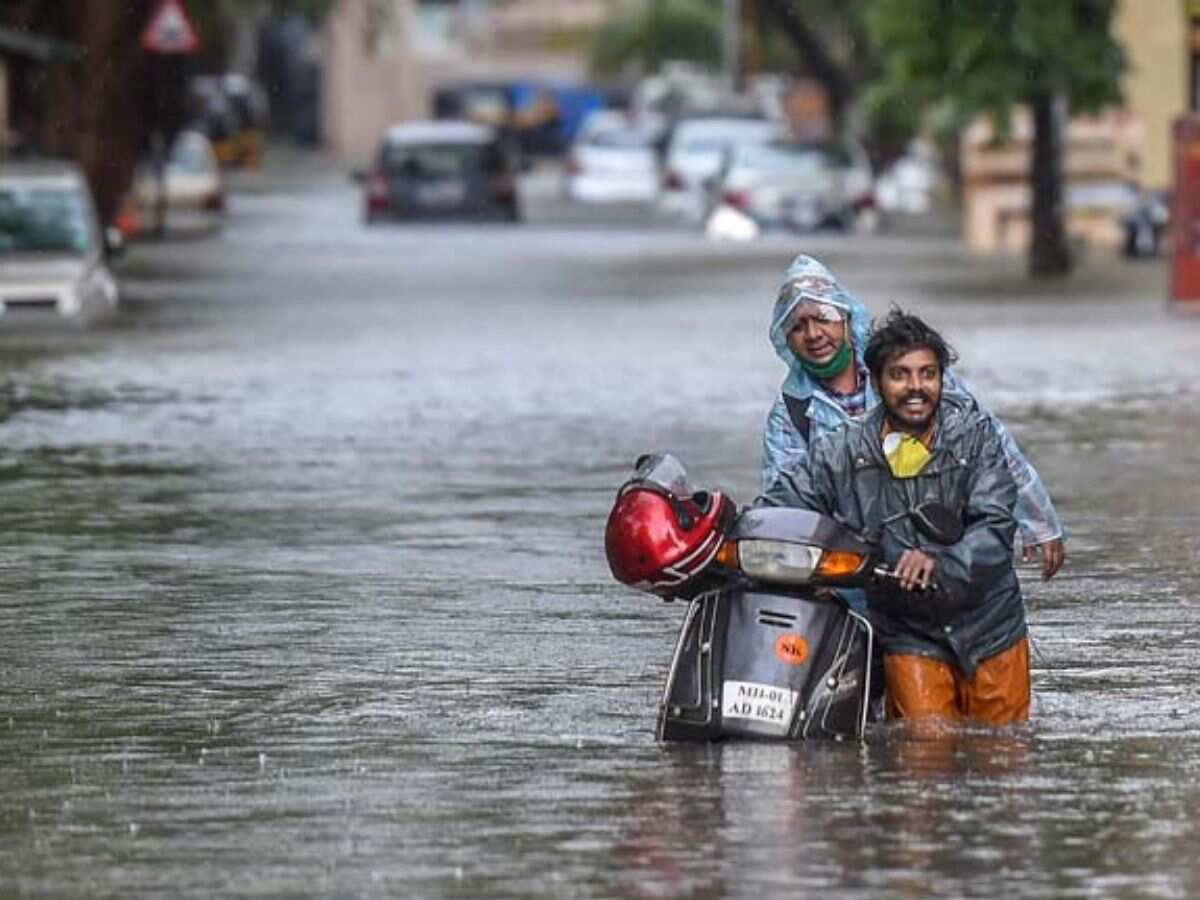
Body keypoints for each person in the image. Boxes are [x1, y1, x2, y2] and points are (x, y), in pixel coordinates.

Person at [761, 309, 1030, 724]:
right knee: (922, 757)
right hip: (907, 631)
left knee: (1004, 756)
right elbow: (781, 505)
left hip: (990, 625)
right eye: (900, 375)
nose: (916, 387)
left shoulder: (975, 437)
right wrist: (727, 532)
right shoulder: (842, 451)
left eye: (928, 374)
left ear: (941, 378)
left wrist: (940, 562)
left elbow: (995, 527)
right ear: (877, 381)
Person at [762, 255, 1065, 580]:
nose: (813, 334)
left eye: (823, 317)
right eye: (797, 326)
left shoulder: (911, 372)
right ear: (786, 340)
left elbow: (992, 449)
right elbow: (785, 500)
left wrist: (1039, 522)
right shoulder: (790, 413)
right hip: (853, 565)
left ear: (847, 319)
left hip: (941, 547)